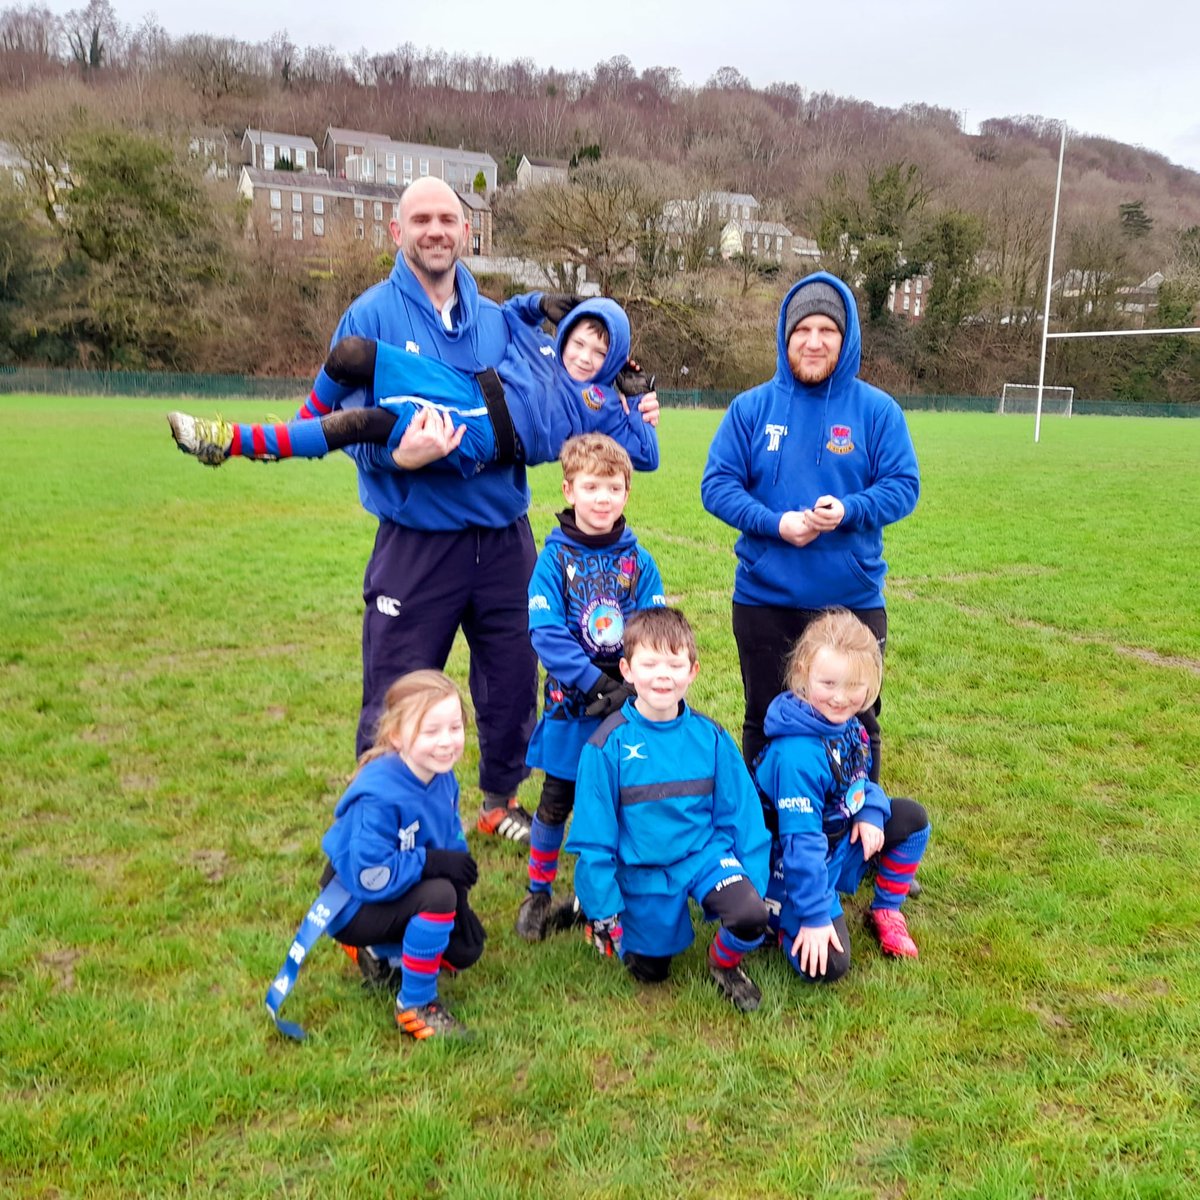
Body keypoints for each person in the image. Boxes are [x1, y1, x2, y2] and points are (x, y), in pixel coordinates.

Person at [700, 271, 920, 785]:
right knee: (764, 717)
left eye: (827, 330)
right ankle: (767, 830)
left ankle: (855, 826)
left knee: (858, 720)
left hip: (851, 601)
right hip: (764, 597)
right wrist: (775, 523)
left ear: (846, 340)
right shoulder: (751, 408)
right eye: (803, 330)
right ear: (785, 336)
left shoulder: (877, 411)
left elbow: (903, 486)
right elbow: (717, 485)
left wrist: (849, 510)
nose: (814, 342)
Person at [166, 298, 660, 476]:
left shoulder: (603, 405)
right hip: (466, 388)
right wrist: (543, 301)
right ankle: (296, 432)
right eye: (580, 341)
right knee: (352, 353)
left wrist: (637, 397)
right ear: (567, 331)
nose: (584, 356)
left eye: (599, 352)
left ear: (611, 359)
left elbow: (647, 455)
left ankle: (231, 442)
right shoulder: (540, 347)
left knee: (368, 424)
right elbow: (509, 312)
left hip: (487, 436)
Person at [565, 608, 771, 1013]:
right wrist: (603, 906)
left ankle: (723, 965)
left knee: (750, 915)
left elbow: (743, 816)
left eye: (675, 664)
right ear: (627, 670)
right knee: (650, 970)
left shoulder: (710, 737)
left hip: (702, 857)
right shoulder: (606, 746)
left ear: (693, 671)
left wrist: (754, 886)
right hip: (644, 869)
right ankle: (589, 908)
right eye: (650, 663)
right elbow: (593, 838)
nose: (663, 675)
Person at [265, 670, 485, 1041]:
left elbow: (448, 838)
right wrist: (434, 866)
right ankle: (415, 1005)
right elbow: (369, 874)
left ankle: (382, 953)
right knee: (438, 898)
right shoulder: (378, 796)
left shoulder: (443, 776)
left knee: (465, 948)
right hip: (353, 901)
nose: (446, 742)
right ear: (397, 736)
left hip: (395, 883)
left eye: (455, 728)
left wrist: (459, 886)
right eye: (430, 732)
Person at [515, 434, 667, 943]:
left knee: (617, 801)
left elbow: (654, 626)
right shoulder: (553, 561)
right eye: (591, 486)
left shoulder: (638, 562)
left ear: (627, 493)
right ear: (569, 489)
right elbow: (547, 632)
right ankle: (538, 891)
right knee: (557, 799)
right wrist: (592, 680)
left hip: (623, 706)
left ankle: (598, 894)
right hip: (570, 706)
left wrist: (629, 684)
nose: (602, 498)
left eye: (613, 488)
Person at [754, 610, 930, 983]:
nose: (840, 697)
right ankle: (781, 921)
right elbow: (800, 844)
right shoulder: (796, 757)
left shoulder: (850, 727)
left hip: (836, 845)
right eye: (829, 683)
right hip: (791, 867)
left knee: (911, 820)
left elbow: (860, 783)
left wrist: (869, 810)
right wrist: (815, 918)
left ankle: (885, 910)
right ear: (803, 675)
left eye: (854, 686)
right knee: (829, 967)